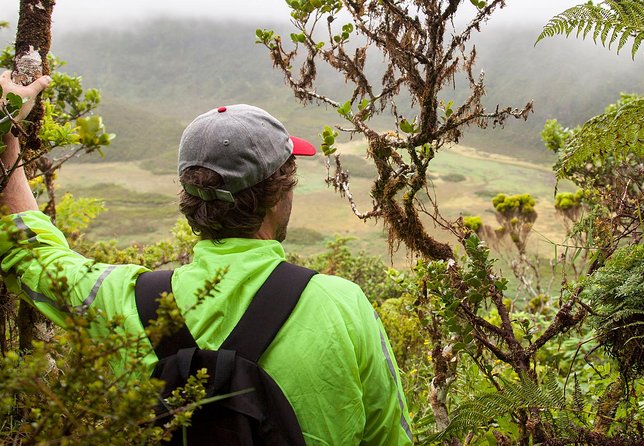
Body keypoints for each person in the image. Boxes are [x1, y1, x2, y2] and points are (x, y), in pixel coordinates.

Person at [0, 71, 413, 445]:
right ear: (278, 196)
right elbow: (390, 435)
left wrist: (6, 130)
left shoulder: (126, 302)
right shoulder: (345, 304)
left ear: (189, 199)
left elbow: (28, 250)